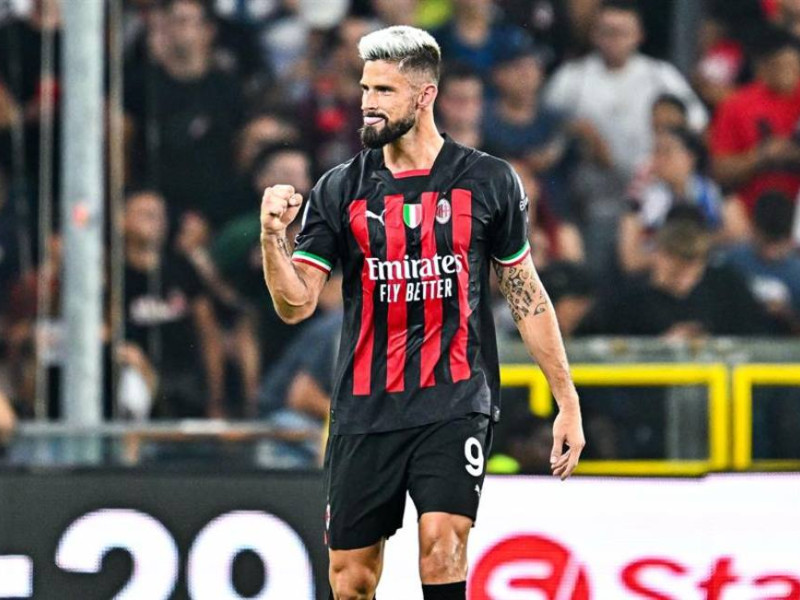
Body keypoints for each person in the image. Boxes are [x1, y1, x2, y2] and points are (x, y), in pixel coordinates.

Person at [259, 25, 585, 600]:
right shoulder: (340, 189)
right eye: (365, 88)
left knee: (442, 544)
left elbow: (525, 294)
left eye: (384, 90)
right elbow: (296, 304)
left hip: (454, 399)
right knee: (352, 579)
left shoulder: (488, 180)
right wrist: (271, 239)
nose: (367, 102)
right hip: (365, 407)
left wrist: (567, 400)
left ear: (424, 95)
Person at [709, 26, 800, 213]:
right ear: (762, 67)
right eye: (779, 66)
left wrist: (792, 153)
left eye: (793, 65)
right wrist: (759, 156)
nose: (788, 73)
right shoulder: (736, 105)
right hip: (750, 212)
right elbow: (720, 170)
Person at [723, 190, 800, 332]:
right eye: (764, 242)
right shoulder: (731, 262)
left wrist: (786, 313)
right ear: (752, 231)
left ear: (790, 240)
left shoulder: (797, 273)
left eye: (777, 244)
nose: (770, 253)